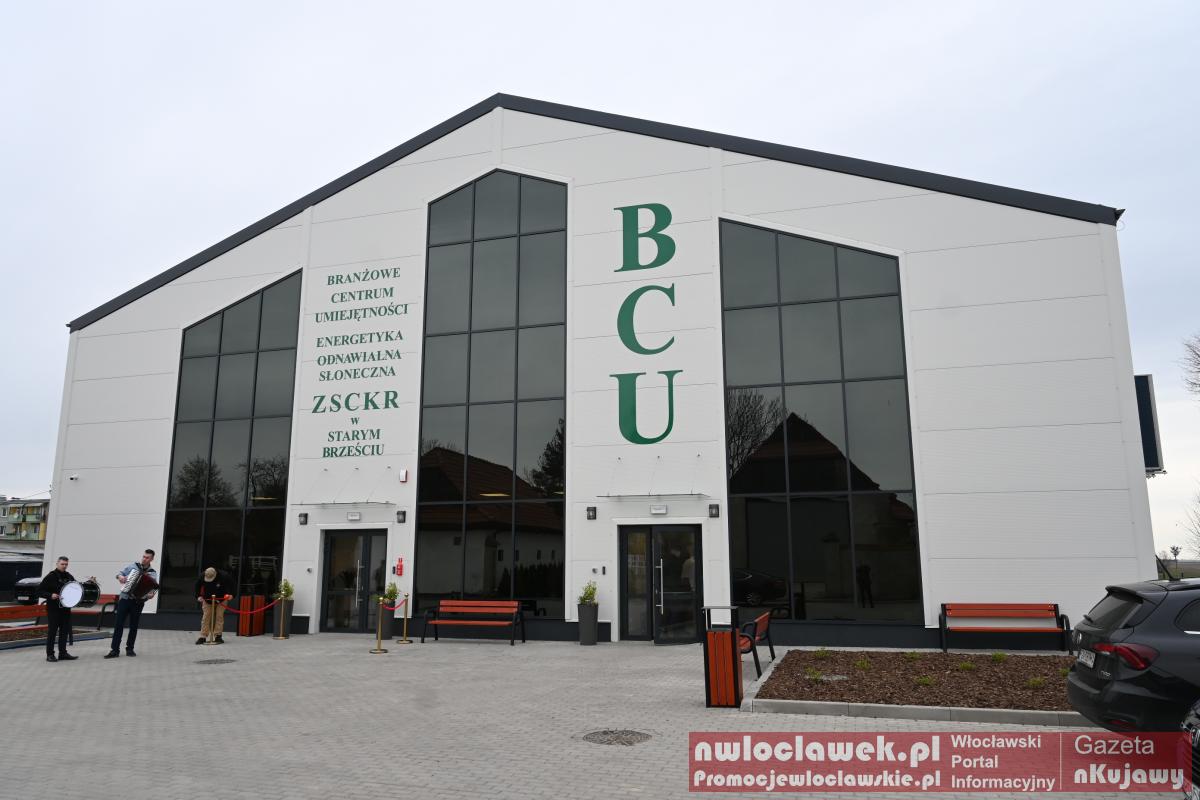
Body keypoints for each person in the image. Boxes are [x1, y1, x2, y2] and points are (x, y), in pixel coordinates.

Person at [106, 549, 158, 659]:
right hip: (125, 599)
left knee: (133, 626)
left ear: (152, 559)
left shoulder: (152, 573)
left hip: (138, 602)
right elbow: (119, 574)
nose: (144, 559)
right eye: (143, 556)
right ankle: (114, 650)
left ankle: (130, 649)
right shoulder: (133, 566)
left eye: (147, 557)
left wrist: (151, 594)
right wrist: (120, 577)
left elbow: (153, 588)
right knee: (118, 625)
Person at [37, 556, 79, 663]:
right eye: (62, 564)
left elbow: (76, 587)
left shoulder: (69, 576)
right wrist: (50, 595)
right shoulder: (51, 576)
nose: (64, 566)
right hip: (53, 609)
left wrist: (89, 582)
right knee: (52, 632)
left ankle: (62, 653)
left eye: (66, 564)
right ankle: (50, 654)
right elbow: (39, 591)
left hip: (65, 608)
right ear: (57, 564)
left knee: (64, 631)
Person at [194, 567, 229, 645]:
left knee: (219, 616)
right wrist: (198, 596)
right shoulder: (202, 576)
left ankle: (218, 636)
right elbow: (197, 586)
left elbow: (232, 585)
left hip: (221, 599)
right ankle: (203, 636)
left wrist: (231, 595)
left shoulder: (224, 576)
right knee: (206, 616)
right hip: (207, 599)